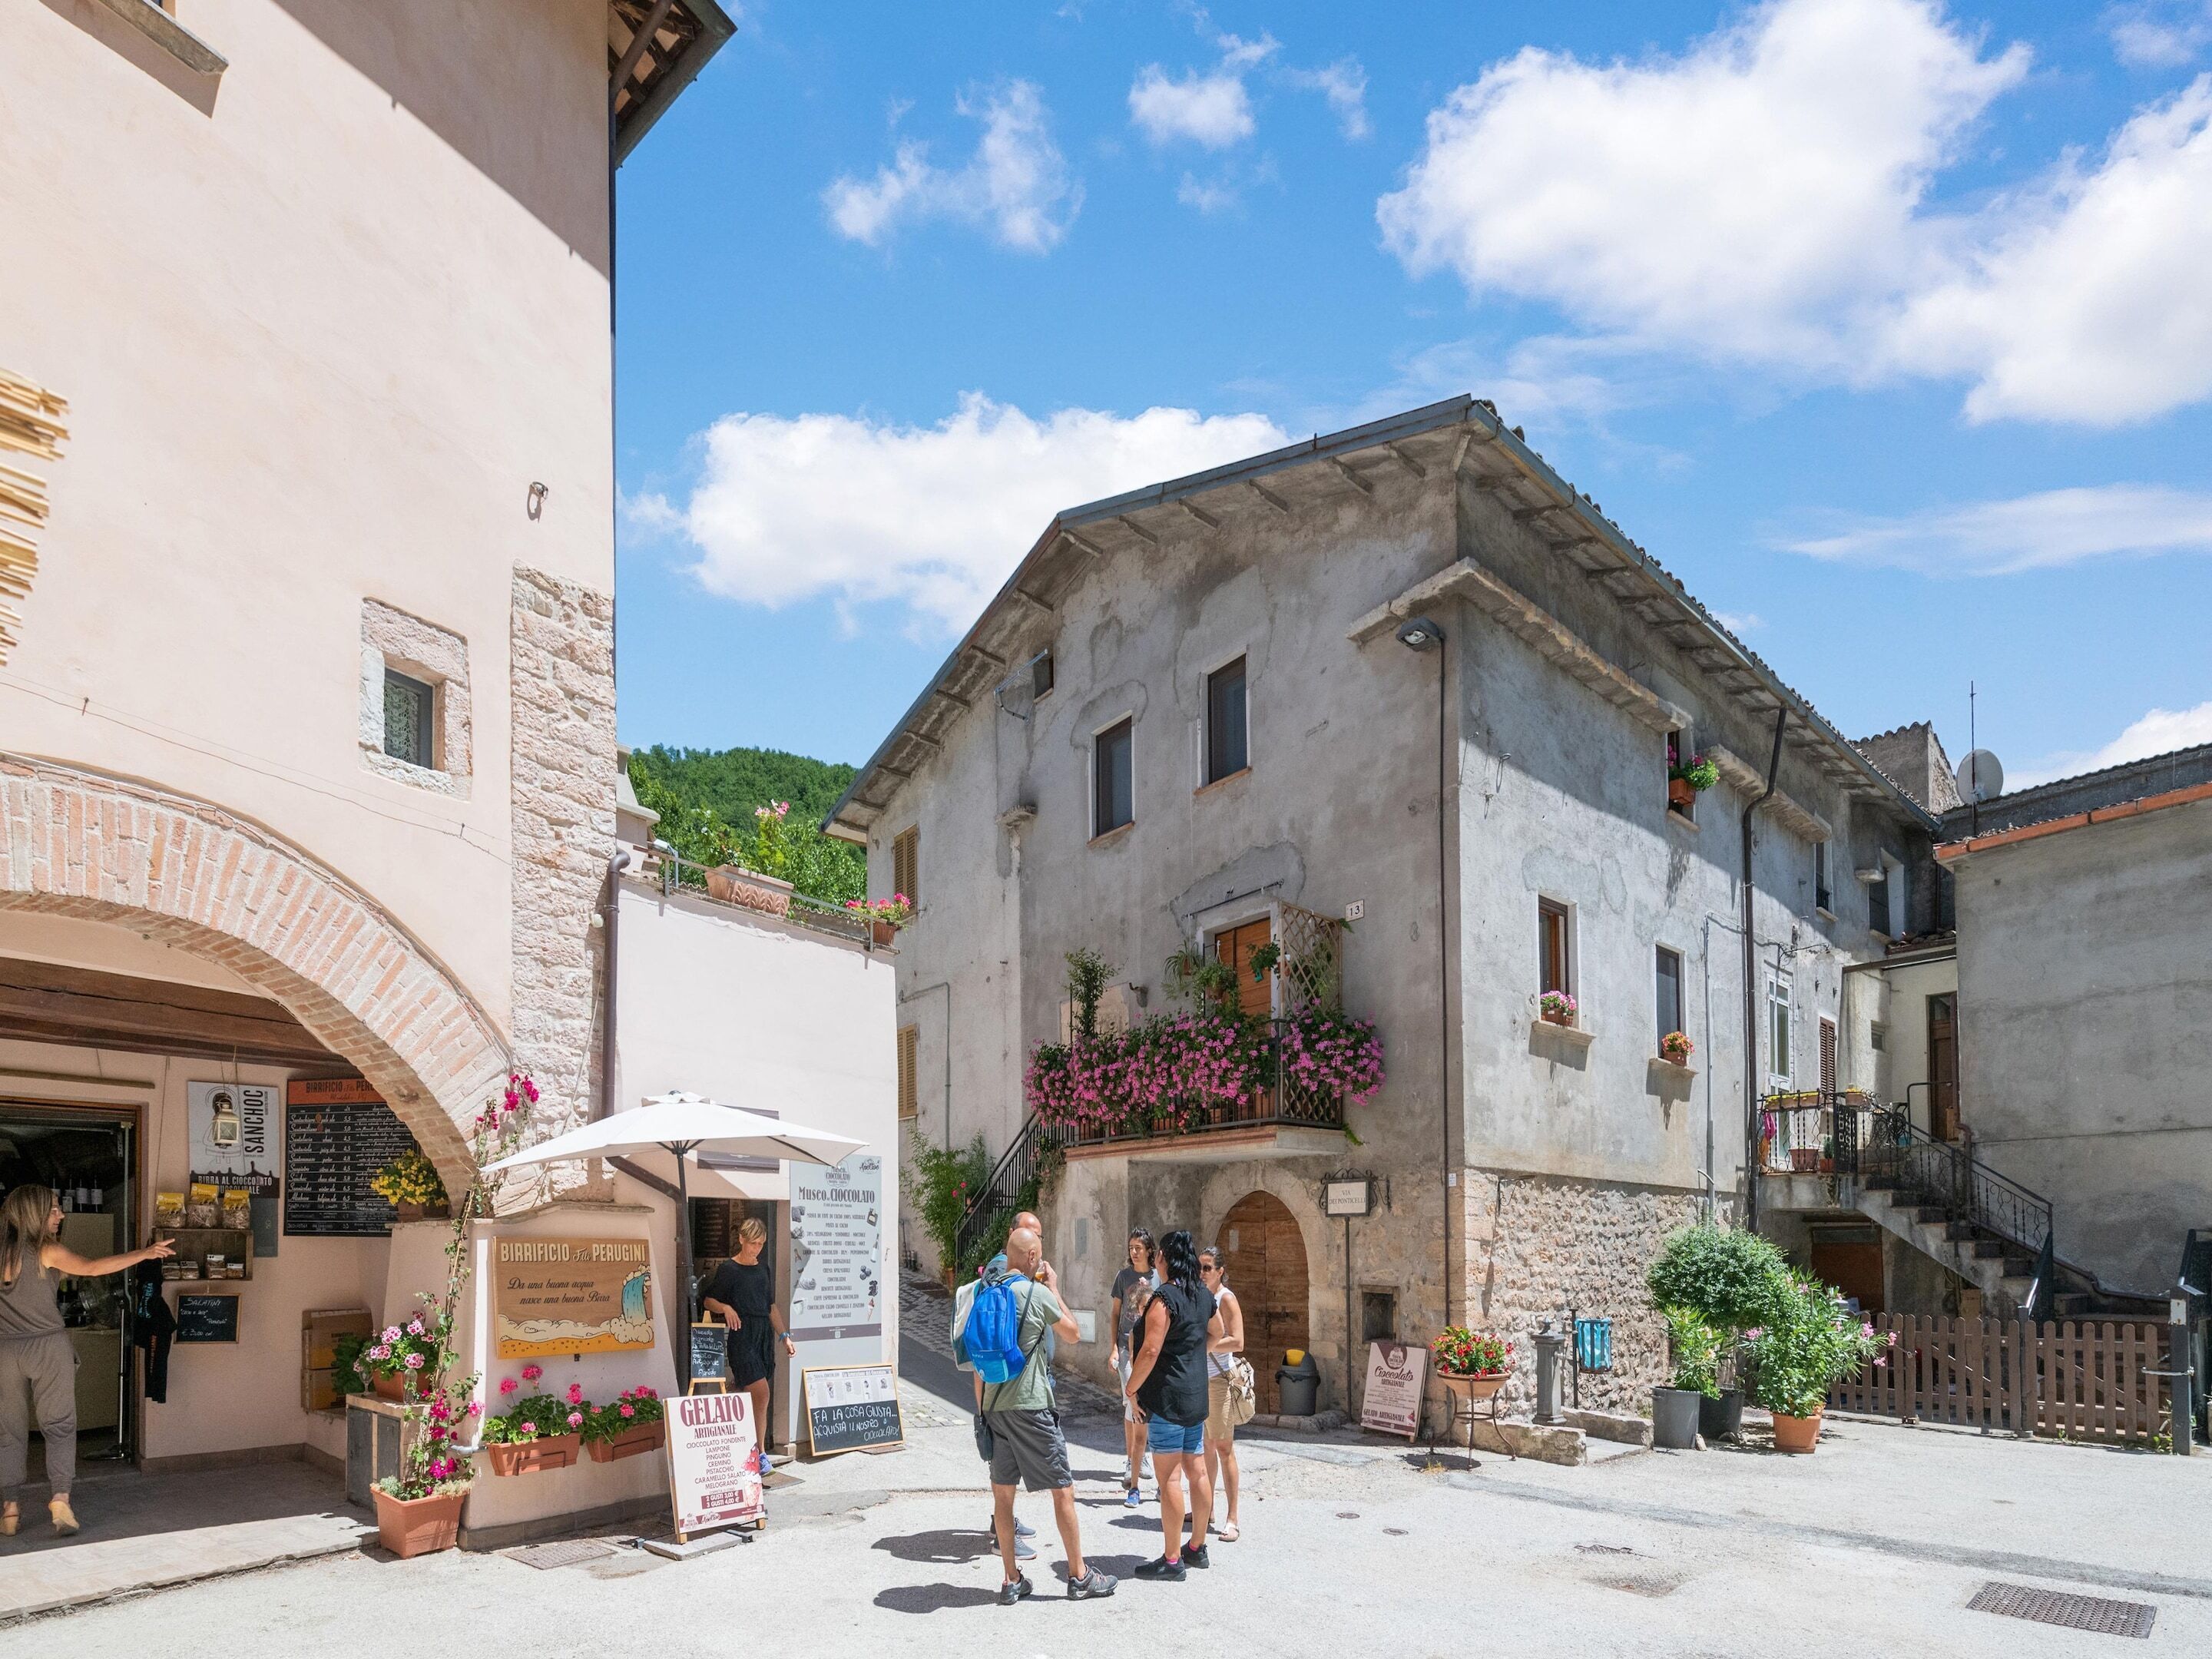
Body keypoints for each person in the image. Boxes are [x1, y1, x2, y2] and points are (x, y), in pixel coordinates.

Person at [1, 1184, 174, 1535]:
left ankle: (10, 1509)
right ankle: (60, 1498)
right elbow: (93, 1268)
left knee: (8, 1429)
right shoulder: (45, 1251)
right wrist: (144, 1253)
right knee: (60, 1424)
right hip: (48, 1348)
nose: (60, 1215)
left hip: (4, 1351)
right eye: (53, 1209)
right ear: (33, 1213)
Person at [981, 1227, 1115, 1604]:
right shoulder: (1035, 1292)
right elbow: (1072, 1334)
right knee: (1063, 1490)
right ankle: (1080, 1576)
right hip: (1031, 1405)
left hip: (995, 1405)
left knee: (1003, 1498)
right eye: (1037, 1254)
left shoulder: (989, 1291)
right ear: (1032, 1257)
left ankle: (1011, 1580)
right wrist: (1053, 1286)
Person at [1123, 1228, 1215, 1581]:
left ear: (1164, 1258)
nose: (1156, 1259)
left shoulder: (1165, 1298)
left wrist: (1131, 1389)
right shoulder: (1202, 1295)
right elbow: (1217, 1333)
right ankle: (1197, 1547)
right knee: (1199, 1471)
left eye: (1159, 1254)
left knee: (1170, 1478)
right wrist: (1193, 1357)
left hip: (1168, 1398)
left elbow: (1149, 1350)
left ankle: (1173, 1560)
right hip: (1196, 1395)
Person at [960, 1210, 1041, 1558]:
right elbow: (993, 1336)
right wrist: (980, 1407)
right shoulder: (1001, 1270)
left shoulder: (1021, 1272)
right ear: (1013, 1236)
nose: (1035, 1240)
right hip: (1000, 1384)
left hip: (1008, 1380)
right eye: (1028, 1232)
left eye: (1038, 1234)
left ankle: (1005, 1523)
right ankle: (1000, 1533)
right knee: (1004, 1470)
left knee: (1007, 1470)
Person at [697, 1216, 794, 1468]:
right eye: (752, 1243)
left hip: (763, 1335)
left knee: (753, 1395)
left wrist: (784, 1336)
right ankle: (760, 1454)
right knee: (762, 1393)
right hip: (742, 1335)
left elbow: (770, 1306)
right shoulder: (729, 1270)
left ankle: (745, 1448)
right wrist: (727, 1308)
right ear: (741, 1239)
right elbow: (708, 1300)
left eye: (761, 1244)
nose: (756, 1249)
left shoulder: (763, 1269)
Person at [1200, 1244, 1244, 1541]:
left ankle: (1233, 1517)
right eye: (1199, 1267)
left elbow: (1238, 1341)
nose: (1201, 1273)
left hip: (1219, 1381)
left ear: (1220, 1271)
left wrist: (1206, 1345)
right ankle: (1208, 1509)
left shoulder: (1225, 1298)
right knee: (1205, 1449)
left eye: (1207, 1268)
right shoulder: (1201, 1296)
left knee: (1224, 1448)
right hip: (1200, 1382)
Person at [1111, 1227, 1157, 1504]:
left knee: (1142, 1403)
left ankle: (1140, 1457)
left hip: (1150, 1347)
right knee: (1132, 1401)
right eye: (1131, 1247)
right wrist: (1113, 1347)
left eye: (1138, 1247)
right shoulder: (1123, 1277)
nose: (1134, 1251)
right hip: (1127, 1347)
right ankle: (1133, 1460)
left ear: (1149, 1250)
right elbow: (1115, 1313)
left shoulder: (1158, 1277)